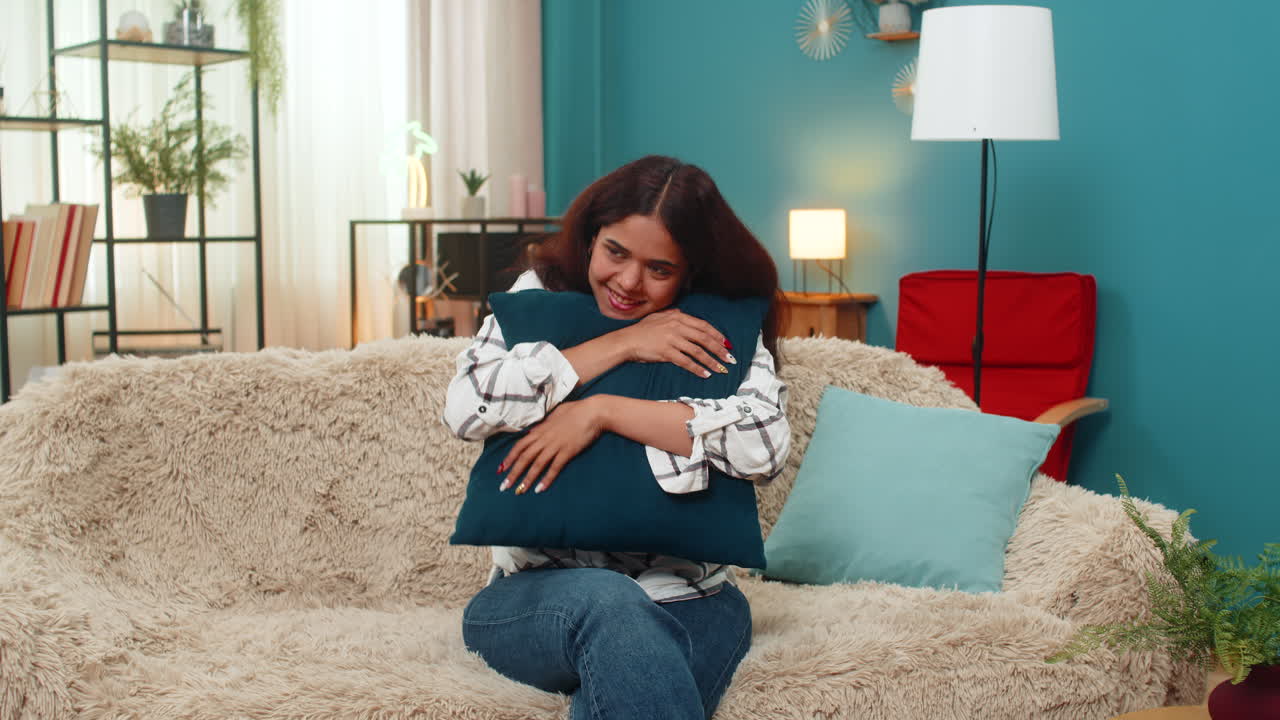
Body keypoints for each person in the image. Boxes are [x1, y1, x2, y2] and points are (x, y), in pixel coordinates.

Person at [442, 155, 790, 720]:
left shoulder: (711, 328)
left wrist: (601, 412)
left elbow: (764, 444)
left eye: (659, 269)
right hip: (534, 602)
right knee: (609, 602)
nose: (628, 282)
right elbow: (466, 406)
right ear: (590, 240)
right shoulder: (538, 295)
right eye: (615, 253)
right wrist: (624, 344)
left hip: (692, 601)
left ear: (689, 273)